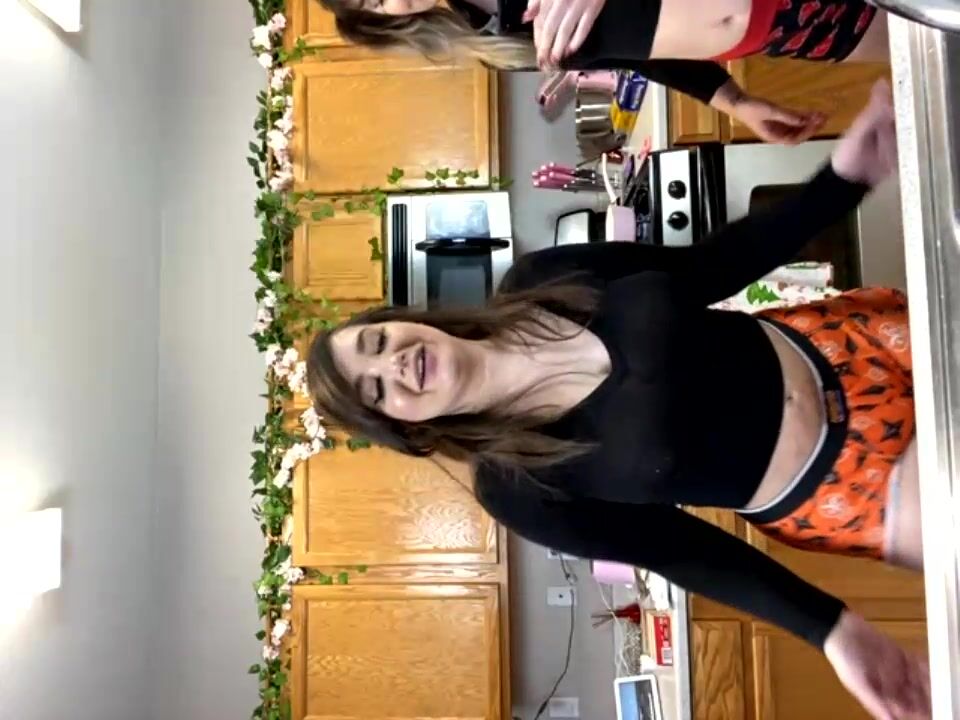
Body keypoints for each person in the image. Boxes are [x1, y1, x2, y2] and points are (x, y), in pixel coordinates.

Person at [304, 82, 929, 720]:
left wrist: (842, 180)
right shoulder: (514, 487)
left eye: (378, 342)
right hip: (850, 489)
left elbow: (709, 267)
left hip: (855, 343)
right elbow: (683, 551)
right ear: (404, 428)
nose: (393, 364)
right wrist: (832, 630)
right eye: (376, 391)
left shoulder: (539, 279)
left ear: (403, 320)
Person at [315, 0, 891, 144]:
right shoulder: (497, 35)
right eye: (375, 2)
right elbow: (641, 57)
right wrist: (732, 102)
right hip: (791, 31)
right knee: (924, 35)